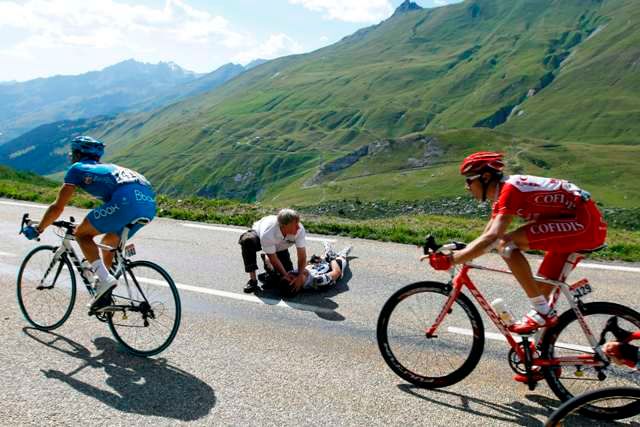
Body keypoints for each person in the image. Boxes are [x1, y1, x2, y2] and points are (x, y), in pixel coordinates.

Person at [426, 151, 607, 335]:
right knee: (540, 292)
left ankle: (544, 314)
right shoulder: (503, 192)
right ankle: (543, 356)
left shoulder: (510, 191)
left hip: (584, 226)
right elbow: (487, 234)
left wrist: (452, 260)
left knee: (506, 245)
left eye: (469, 180)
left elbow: (493, 238)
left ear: (486, 177)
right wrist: (462, 250)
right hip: (578, 223)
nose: (467, 187)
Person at [22, 136, 156, 309]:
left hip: (126, 201)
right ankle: (103, 289)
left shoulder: (77, 169)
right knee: (109, 241)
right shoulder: (106, 169)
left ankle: (105, 280)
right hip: (149, 206)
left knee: (81, 233)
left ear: (78, 154)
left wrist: (39, 228)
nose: (71, 157)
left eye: (72, 153)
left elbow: (57, 207)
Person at [238, 208, 307, 294]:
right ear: (284, 225)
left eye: (298, 223)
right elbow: (273, 259)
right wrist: (285, 275)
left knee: (287, 278)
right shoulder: (268, 233)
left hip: (280, 247)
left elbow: (302, 256)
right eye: (295, 224)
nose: (298, 227)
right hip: (259, 238)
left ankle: (268, 273)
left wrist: (299, 276)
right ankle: (253, 280)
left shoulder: (299, 229)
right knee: (247, 240)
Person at [259, 242, 352, 295]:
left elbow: (305, 266)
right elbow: (337, 272)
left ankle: (328, 250)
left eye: (288, 275)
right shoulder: (318, 281)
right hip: (333, 267)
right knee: (341, 258)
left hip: (319, 265)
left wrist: (311, 261)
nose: (291, 274)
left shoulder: (292, 274)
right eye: (291, 277)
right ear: (297, 286)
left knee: (322, 256)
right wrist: (332, 259)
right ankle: (342, 253)